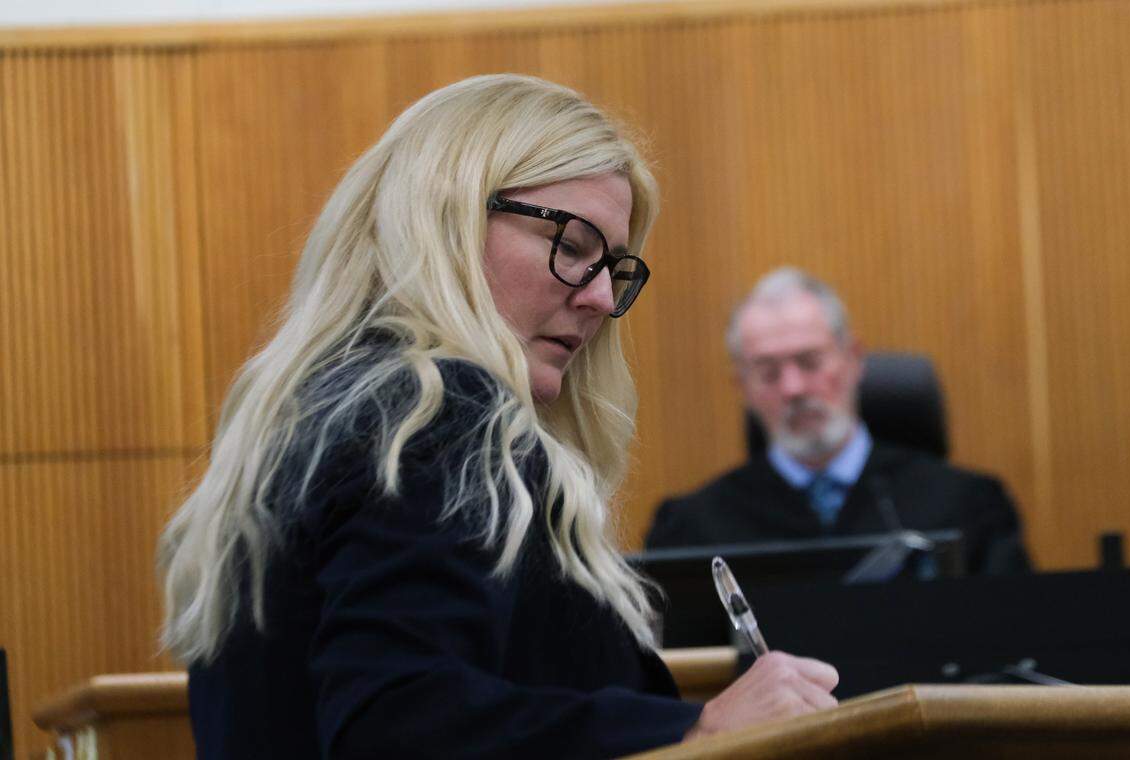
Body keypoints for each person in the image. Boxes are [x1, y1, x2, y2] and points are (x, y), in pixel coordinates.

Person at [158, 75, 839, 759]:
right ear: (447, 219)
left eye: (613, 267)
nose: (602, 298)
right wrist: (698, 731)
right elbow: (393, 726)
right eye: (572, 247)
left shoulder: (313, 416)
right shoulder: (434, 410)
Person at [645, 267, 1032, 575]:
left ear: (853, 359)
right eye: (768, 373)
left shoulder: (965, 505)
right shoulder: (692, 529)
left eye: (810, 362)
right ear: (743, 386)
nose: (793, 388)